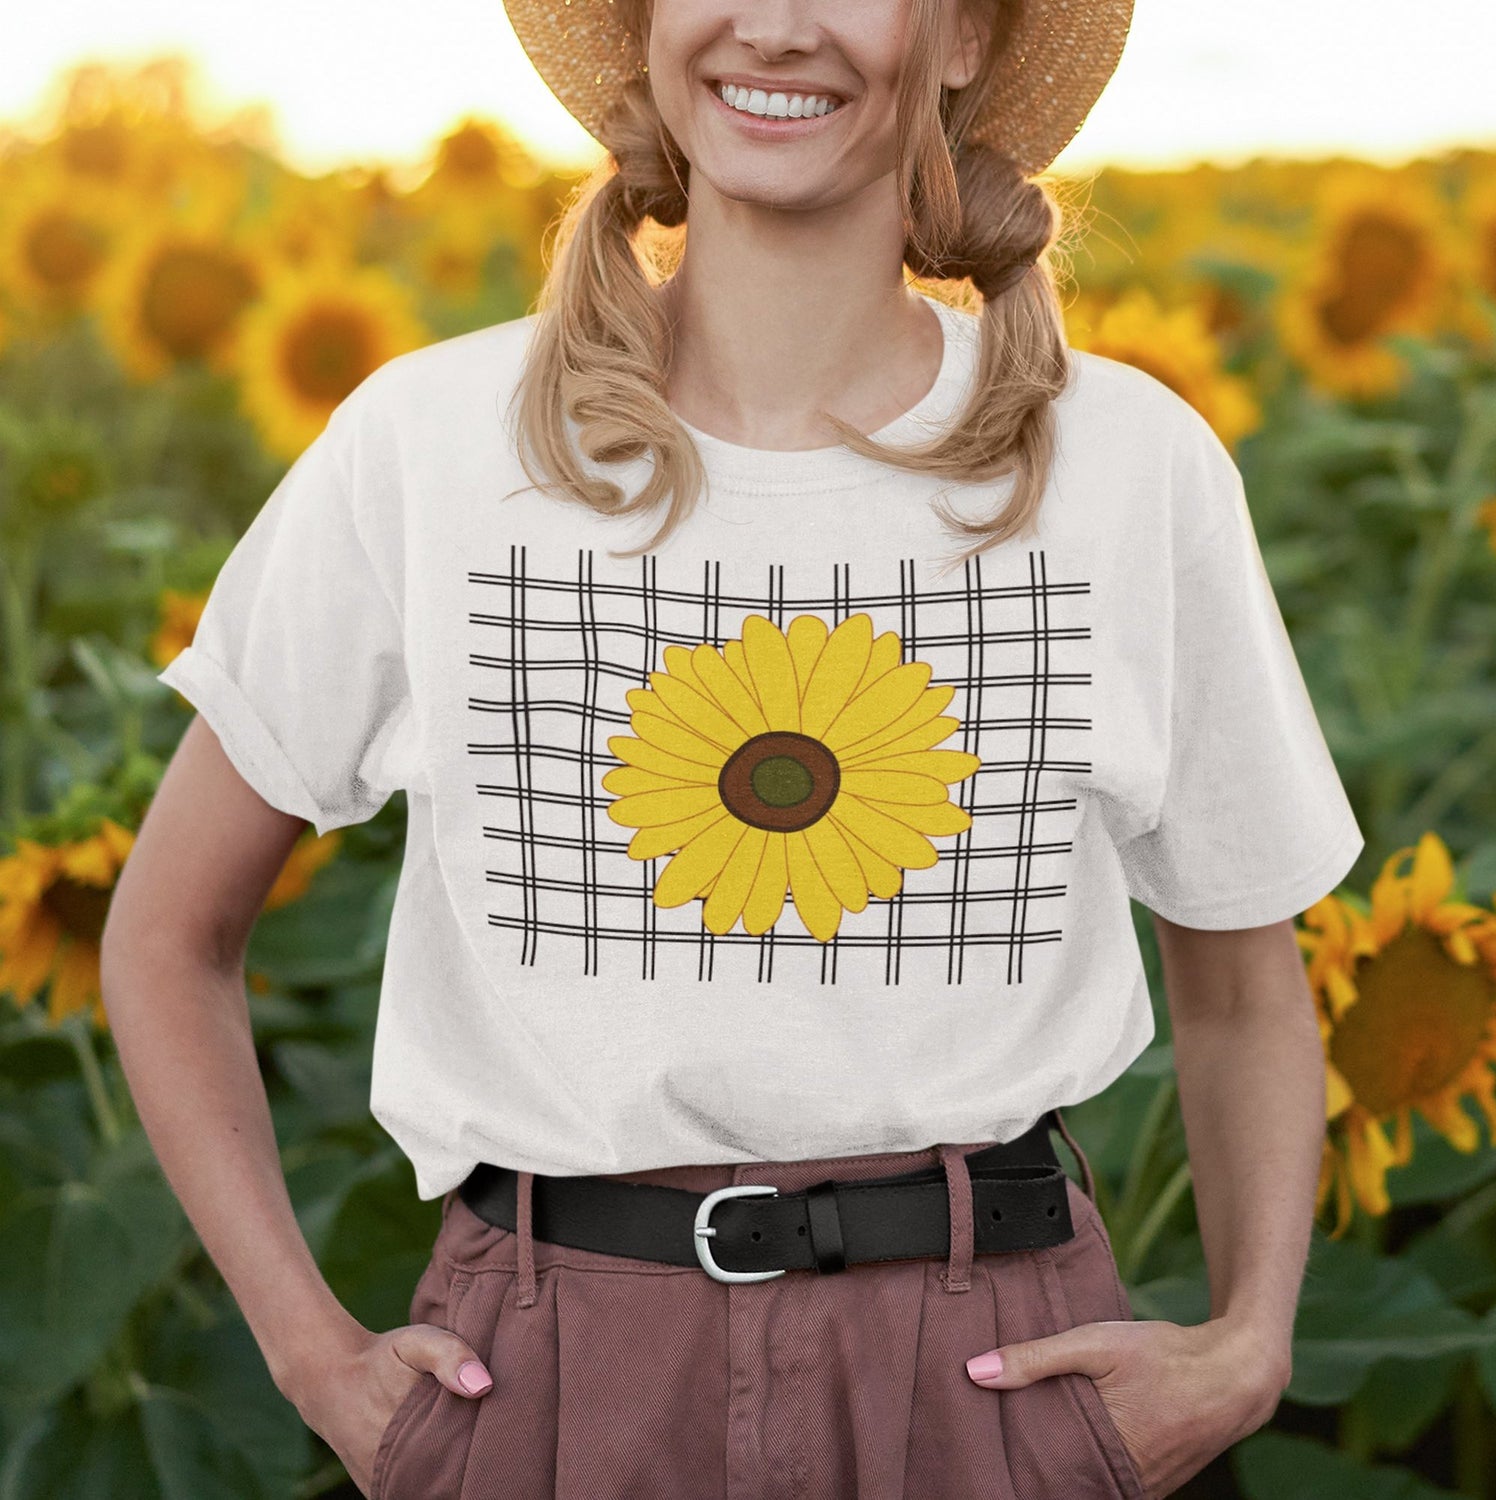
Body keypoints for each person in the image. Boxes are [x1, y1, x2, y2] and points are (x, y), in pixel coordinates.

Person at [102, 0, 1365, 1496]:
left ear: (962, 37)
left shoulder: (1127, 466)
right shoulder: (428, 448)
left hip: (991, 1377)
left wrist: (1249, 1341)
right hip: (554, 1369)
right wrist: (316, 1361)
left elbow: (1241, 981)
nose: (774, 28)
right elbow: (167, 938)